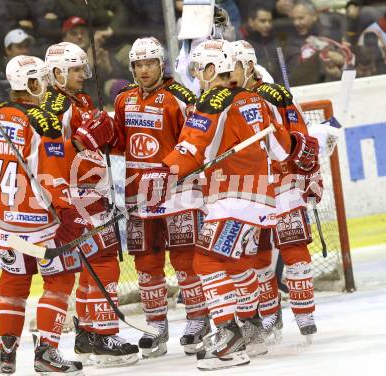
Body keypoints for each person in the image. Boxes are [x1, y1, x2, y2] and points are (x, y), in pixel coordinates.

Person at [161, 38, 291, 370]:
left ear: (210, 69)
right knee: (234, 266)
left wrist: (165, 175)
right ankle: (249, 328)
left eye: (197, 69)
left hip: (233, 198)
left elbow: (191, 148)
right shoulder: (254, 99)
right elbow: (281, 149)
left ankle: (229, 337)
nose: (195, 77)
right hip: (260, 199)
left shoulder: (210, 101)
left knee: (206, 263)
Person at [0, 54, 112, 375]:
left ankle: (7, 355)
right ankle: (46, 352)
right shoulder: (44, 120)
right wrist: (82, 147)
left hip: (7, 224)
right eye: (39, 78)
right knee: (59, 280)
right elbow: (55, 176)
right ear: (30, 82)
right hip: (42, 225)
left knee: (13, 282)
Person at [110, 36, 209, 358]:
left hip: (178, 193)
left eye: (149, 63)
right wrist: (99, 134)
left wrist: (173, 171)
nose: (143, 70)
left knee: (184, 259)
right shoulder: (123, 99)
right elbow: (120, 143)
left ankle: (198, 319)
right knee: (147, 263)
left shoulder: (179, 96)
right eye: (137, 65)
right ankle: (156, 324)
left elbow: (196, 142)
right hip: (139, 194)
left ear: (161, 64)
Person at [42, 41, 139, 367]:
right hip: (78, 193)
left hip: (94, 191)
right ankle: (102, 333)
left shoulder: (79, 100)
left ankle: (87, 333)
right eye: (74, 69)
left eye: (82, 68)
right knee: (103, 261)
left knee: (96, 262)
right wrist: (82, 140)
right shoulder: (54, 107)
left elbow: (99, 141)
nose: (82, 74)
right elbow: (51, 156)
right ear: (56, 73)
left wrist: (104, 131)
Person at [230, 40, 323, 340]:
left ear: (249, 66)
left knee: (294, 248)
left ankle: (304, 313)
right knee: (257, 255)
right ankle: (271, 316)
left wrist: (310, 175)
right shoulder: (225, 100)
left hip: (283, 185)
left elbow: (301, 138)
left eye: (235, 67)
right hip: (251, 188)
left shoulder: (274, 94)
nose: (230, 74)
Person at [240, 1, 283, 83]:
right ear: (251, 22)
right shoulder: (245, 47)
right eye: (263, 21)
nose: (267, 25)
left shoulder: (277, 42)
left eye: (270, 21)